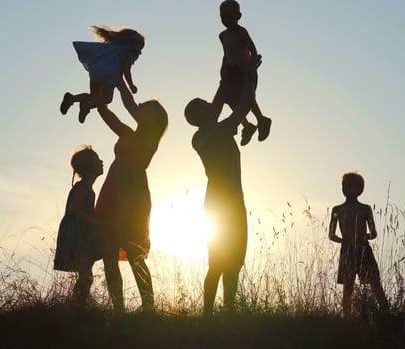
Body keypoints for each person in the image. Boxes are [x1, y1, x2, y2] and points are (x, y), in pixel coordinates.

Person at [184, 54, 259, 315]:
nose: (212, 105)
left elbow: (218, 101)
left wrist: (224, 79)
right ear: (202, 114)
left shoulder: (201, 135)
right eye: (207, 105)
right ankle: (223, 313)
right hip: (227, 201)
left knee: (222, 263)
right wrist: (250, 75)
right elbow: (246, 103)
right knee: (226, 262)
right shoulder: (219, 129)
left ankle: (214, 315)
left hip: (218, 200)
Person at [95, 79, 168, 313]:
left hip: (132, 197)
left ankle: (149, 307)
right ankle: (119, 310)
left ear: (153, 117)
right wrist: (99, 101)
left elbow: (128, 105)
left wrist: (117, 81)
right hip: (112, 192)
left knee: (135, 252)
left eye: (144, 106)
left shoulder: (151, 136)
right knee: (109, 253)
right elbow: (110, 117)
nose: (139, 105)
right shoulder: (128, 134)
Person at [328, 172, 389, 317]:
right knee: (348, 287)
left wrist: (361, 237)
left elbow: (373, 233)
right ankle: (347, 318)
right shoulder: (337, 210)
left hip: (364, 250)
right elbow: (331, 235)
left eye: (349, 184)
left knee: (375, 283)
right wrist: (344, 240)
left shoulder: (366, 209)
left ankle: (386, 313)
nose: (345, 188)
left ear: (359, 188)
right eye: (344, 185)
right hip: (347, 250)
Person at [214, 0, 271, 146]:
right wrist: (223, 68)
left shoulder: (241, 32)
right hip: (232, 71)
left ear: (238, 16)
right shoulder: (222, 36)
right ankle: (247, 126)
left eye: (230, 17)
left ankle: (261, 120)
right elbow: (226, 54)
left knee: (247, 98)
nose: (226, 20)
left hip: (245, 69)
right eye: (223, 17)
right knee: (231, 99)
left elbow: (253, 49)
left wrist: (251, 67)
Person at [60, 26, 145, 123]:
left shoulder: (114, 47)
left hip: (96, 72)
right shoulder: (128, 53)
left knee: (93, 96)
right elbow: (126, 71)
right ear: (134, 44)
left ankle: (72, 98)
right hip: (109, 76)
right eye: (140, 48)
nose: (140, 52)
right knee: (107, 99)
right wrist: (131, 85)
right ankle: (87, 106)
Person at [53, 146, 104, 306]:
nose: (102, 162)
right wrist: (94, 222)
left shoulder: (86, 187)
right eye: (97, 160)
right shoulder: (83, 187)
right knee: (85, 274)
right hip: (77, 233)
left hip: (79, 232)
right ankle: (77, 305)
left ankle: (78, 304)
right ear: (90, 167)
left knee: (86, 273)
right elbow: (74, 209)